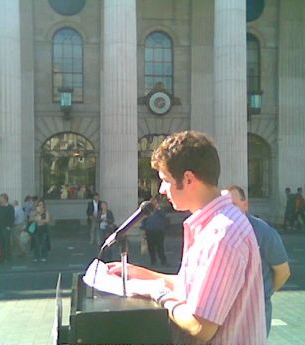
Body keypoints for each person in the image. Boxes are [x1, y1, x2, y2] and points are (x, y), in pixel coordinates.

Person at [107, 131, 266, 345]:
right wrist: (140, 274)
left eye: (165, 180)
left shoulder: (222, 233)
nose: (162, 190)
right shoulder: (212, 224)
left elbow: (200, 326)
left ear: (189, 179)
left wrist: (158, 294)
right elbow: (191, 287)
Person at [226, 185, 291, 336]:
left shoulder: (264, 232)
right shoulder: (218, 231)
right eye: (225, 206)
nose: (229, 211)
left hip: (256, 310)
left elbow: (283, 271)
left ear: (245, 204)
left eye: (233, 205)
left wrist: (264, 292)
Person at [141, 198, 168, 266]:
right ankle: (153, 261)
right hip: (150, 230)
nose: (154, 204)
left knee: (160, 247)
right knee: (151, 247)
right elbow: (144, 219)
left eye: (155, 203)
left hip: (159, 230)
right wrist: (144, 228)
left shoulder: (160, 210)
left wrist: (158, 208)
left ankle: (163, 261)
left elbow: (164, 216)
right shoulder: (147, 211)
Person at [0, 193, 15, 264]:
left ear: (5, 199)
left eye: (1, 198)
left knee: (7, 243)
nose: (0, 200)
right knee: (1, 243)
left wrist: (9, 226)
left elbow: (12, 218)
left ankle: (8, 257)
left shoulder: (10, 207)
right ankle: (2, 257)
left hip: (6, 228)